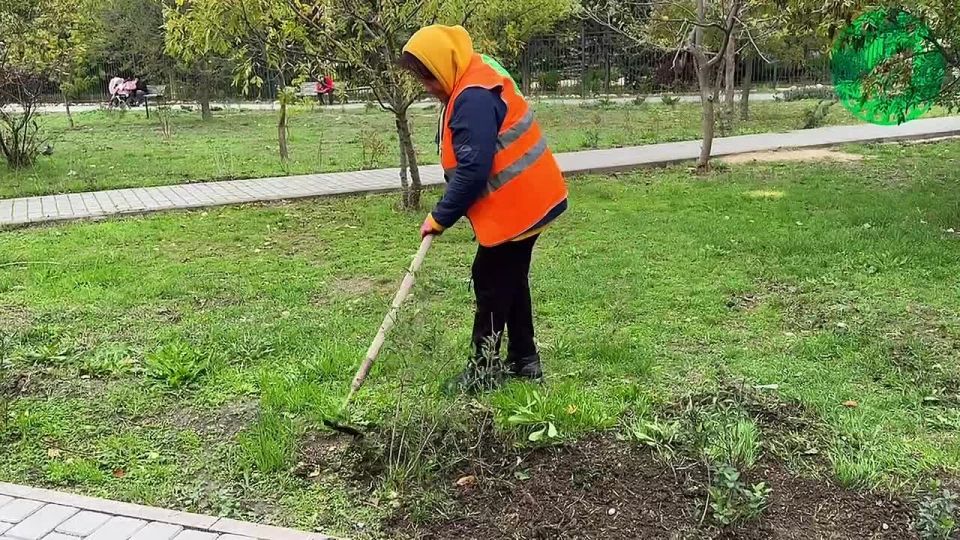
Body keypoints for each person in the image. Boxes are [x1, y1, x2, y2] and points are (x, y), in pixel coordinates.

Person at [400, 25, 568, 393]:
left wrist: (439, 217)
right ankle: (525, 359)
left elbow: (473, 171)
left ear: (446, 64)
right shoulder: (473, 72)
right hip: (527, 199)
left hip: (521, 204)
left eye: (428, 77)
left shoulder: (473, 96)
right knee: (508, 278)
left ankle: (483, 369)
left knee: (491, 280)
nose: (427, 86)